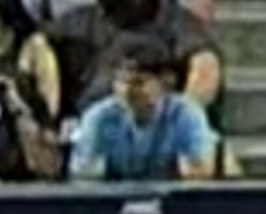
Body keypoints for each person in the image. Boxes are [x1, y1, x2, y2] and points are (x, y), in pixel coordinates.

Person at [60, 45, 217, 178]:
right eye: (121, 82)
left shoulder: (186, 114)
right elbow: (84, 175)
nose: (127, 91)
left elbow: (200, 173)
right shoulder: (98, 117)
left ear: (165, 82)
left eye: (138, 83)